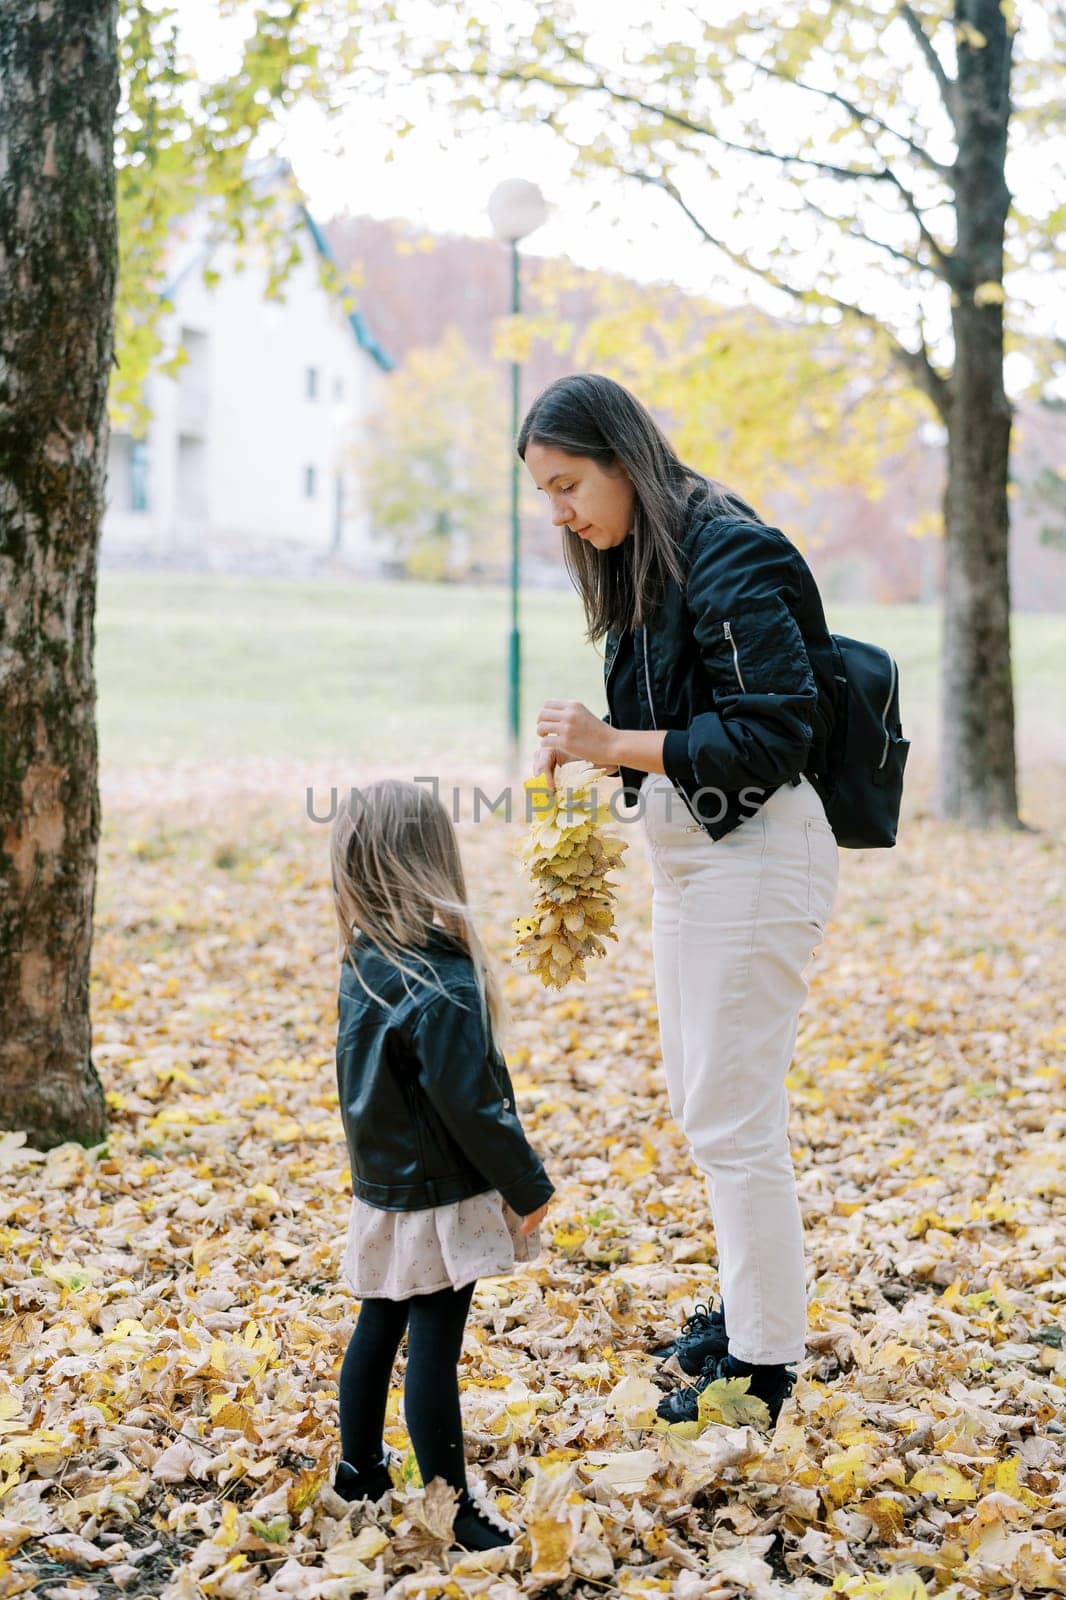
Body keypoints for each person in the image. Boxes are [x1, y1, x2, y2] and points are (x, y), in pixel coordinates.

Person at [519, 373, 840, 1430]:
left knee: (731, 1117)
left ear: (622, 457)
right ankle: (751, 1316)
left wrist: (613, 743)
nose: (560, 512)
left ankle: (760, 1370)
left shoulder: (728, 548)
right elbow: (662, 724)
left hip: (756, 857)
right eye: (546, 494)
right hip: (692, 864)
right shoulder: (645, 561)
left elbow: (771, 732)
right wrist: (594, 758)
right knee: (711, 1111)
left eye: (569, 484)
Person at [328, 779, 554, 1550]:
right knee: (432, 1345)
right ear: (435, 859)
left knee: (378, 1322)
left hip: (387, 1188)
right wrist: (528, 1188)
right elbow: (474, 1108)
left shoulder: (364, 961)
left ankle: (359, 1470)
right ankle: (451, 1508)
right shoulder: (442, 984)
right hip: (436, 1193)